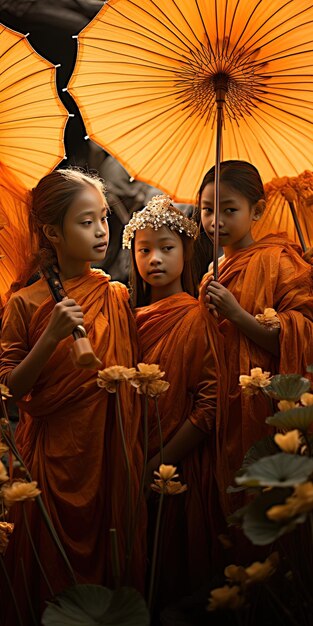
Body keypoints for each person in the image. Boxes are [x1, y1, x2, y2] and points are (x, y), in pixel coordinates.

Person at [0, 169, 145, 625]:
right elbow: (8, 392)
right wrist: (51, 338)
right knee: (50, 575)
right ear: (51, 233)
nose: (102, 231)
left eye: (103, 218)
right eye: (86, 222)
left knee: (111, 572)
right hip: (50, 461)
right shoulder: (25, 303)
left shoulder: (116, 295)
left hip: (108, 455)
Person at [123, 195, 226, 604]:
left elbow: (210, 405)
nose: (155, 259)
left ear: (187, 251)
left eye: (167, 248)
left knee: (176, 577)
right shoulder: (127, 320)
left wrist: (158, 463)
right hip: (130, 460)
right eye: (144, 250)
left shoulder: (199, 316)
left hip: (180, 465)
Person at [198, 160, 313, 508]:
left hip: (267, 407)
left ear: (257, 210)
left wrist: (237, 314)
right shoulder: (210, 276)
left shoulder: (279, 261)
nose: (215, 221)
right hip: (222, 407)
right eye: (206, 209)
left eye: (229, 210)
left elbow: (303, 336)